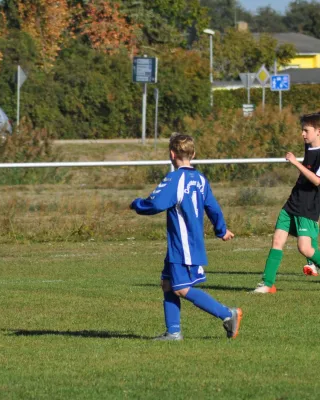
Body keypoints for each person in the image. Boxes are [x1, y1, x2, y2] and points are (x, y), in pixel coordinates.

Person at [130, 133, 241, 340]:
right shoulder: (200, 179)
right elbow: (213, 207)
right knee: (168, 285)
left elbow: (155, 204)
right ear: (194, 154)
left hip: (183, 245)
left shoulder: (174, 179)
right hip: (183, 244)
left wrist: (137, 204)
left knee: (181, 289)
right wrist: (221, 230)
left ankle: (227, 314)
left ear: (172, 154)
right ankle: (173, 332)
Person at [254, 112, 320, 293]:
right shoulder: (310, 147)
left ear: (318, 132)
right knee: (277, 241)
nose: (303, 134)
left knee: (305, 248)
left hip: (307, 206)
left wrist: (295, 163)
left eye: (306, 130)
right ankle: (267, 284)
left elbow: (317, 181)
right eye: (302, 130)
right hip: (292, 203)